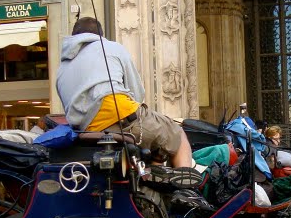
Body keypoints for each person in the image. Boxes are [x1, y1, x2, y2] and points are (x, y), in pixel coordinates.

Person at [56, 17, 193, 168]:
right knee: (178, 136)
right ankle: (185, 187)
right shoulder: (111, 47)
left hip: (87, 133)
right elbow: (137, 93)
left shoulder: (61, 68)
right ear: (101, 35)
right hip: (122, 120)